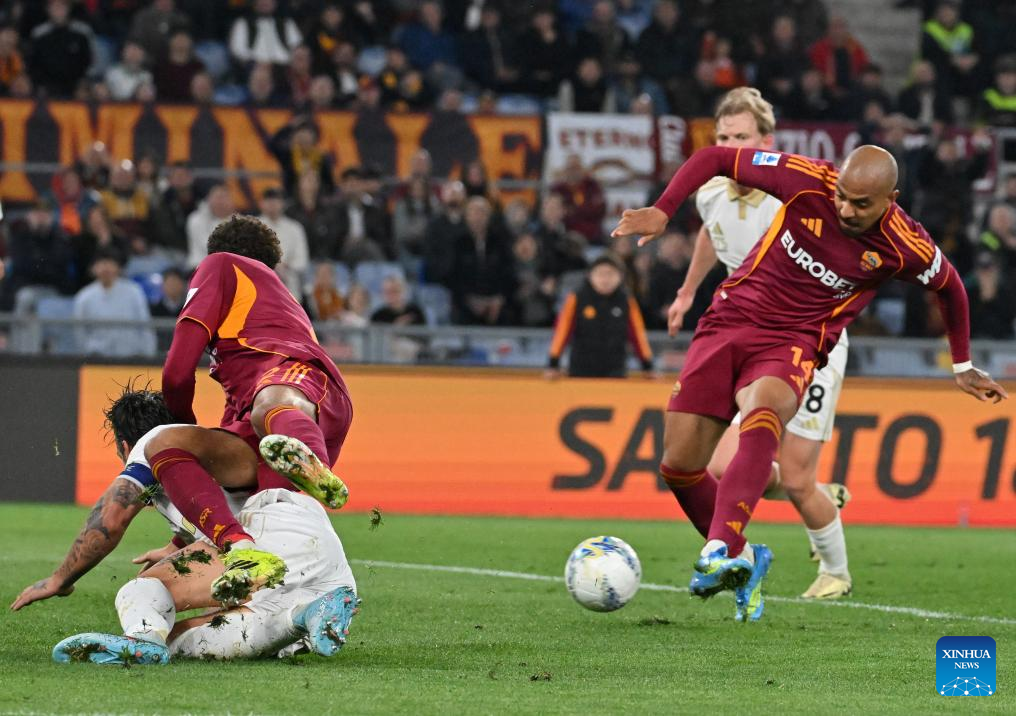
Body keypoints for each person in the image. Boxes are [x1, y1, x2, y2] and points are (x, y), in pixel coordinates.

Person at [612, 137, 1006, 623]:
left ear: (891, 200)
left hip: (794, 340)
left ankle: (721, 548)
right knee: (679, 467)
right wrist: (663, 208)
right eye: (842, 196)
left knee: (764, 410)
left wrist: (962, 365)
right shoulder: (807, 179)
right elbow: (716, 158)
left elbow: (951, 287)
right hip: (729, 321)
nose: (845, 209)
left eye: (861, 204)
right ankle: (747, 558)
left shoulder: (905, 244)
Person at [11, 387, 357, 664]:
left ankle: (143, 638)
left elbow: (110, 520)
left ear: (125, 446)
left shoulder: (154, 442)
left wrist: (60, 580)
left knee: (139, 592)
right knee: (183, 640)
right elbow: (212, 504)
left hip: (264, 537)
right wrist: (175, 545)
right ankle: (303, 616)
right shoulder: (201, 446)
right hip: (320, 553)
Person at [668, 87, 854, 600]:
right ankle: (814, 499)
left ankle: (836, 573)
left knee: (794, 477)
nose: (731, 148)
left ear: (766, 142)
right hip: (746, 338)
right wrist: (687, 292)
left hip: (806, 342)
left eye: (741, 137)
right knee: (718, 465)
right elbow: (711, 234)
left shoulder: (789, 194)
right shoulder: (711, 192)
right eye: (723, 138)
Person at [160, 216, 353, 583]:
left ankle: (312, 465)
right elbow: (232, 433)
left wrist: (180, 423)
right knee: (258, 515)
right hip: (289, 416)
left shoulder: (220, 264)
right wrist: (179, 541)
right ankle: (266, 580)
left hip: (297, 387)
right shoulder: (275, 307)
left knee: (264, 408)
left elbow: (176, 372)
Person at [546, 254, 653, 379]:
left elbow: (637, 334)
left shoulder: (626, 300)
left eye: (610, 274)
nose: (605, 279)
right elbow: (562, 331)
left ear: (620, 277)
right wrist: (553, 363)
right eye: (600, 274)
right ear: (590, 276)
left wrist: (647, 366)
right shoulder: (577, 298)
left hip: (616, 370)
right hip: (580, 369)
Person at [73, 250, 156, 358]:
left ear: (118, 267)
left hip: (131, 357)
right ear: (93, 268)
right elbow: (80, 332)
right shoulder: (84, 297)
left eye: (110, 263)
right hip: (96, 358)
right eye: (101, 263)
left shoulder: (134, 292)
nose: (106, 268)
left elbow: (145, 326)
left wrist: (148, 355)